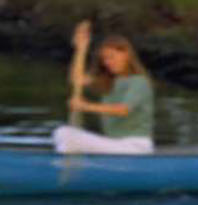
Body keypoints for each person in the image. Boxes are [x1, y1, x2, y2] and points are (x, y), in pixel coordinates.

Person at [54, 24, 155, 155]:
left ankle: (65, 167)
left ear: (126, 55)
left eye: (111, 57)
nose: (108, 62)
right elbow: (77, 80)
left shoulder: (139, 82)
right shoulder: (108, 81)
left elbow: (122, 110)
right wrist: (81, 50)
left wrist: (85, 106)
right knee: (62, 133)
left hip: (135, 146)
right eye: (105, 59)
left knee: (66, 135)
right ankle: (69, 166)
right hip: (114, 144)